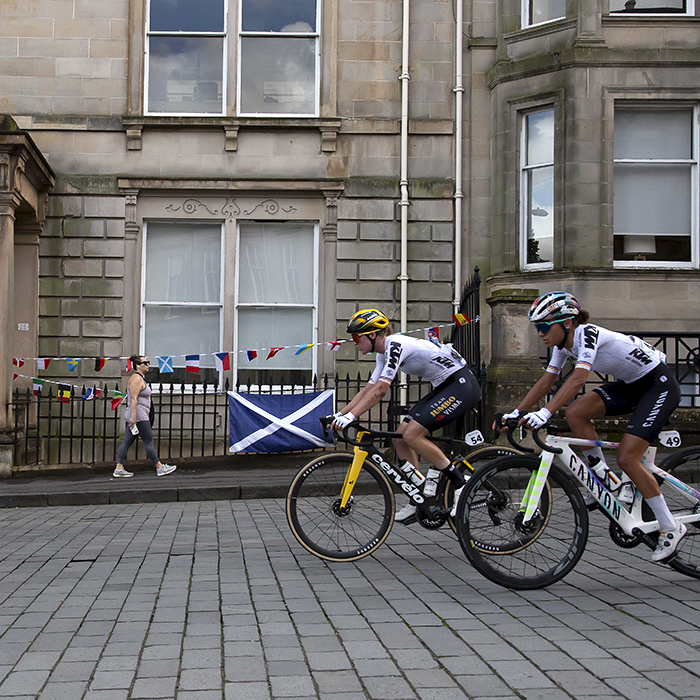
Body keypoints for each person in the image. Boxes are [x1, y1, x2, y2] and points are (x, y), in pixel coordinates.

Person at [499, 291, 683, 562]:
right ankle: (603, 478)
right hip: (633, 386)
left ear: (567, 323)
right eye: (537, 328)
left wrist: (546, 413)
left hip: (658, 385)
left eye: (543, 326)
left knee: (628, 458)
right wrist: (518, 411)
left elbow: (576, 381)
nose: (539, 333)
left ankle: (670, 527)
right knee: (576, 413)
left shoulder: (587, 334)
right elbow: (547, 382)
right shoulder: (562, 346)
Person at [332, 309, 481, 525]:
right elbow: (368, 390)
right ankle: (418, 495)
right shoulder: (382, 353)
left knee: (411, 435)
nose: (355, 342)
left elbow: (381, 391)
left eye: (357, 337)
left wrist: (351, 416)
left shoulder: (394, 344)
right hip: (444, 387)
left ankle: (460, 482)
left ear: (373, 335)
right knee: (399, 436)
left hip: (461, 385)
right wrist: (341, 414)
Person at [113, 355, 177, 478]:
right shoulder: (136, 379)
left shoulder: (140, 378)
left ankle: (119, 468)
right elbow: (133, 398)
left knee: (127, 441)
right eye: (145, 363)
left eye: (148, 362)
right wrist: (133, 417)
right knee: (148, 441)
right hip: (139, 416)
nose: (148, 365)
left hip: (137, 414)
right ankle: (159, 467)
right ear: (138, 366)